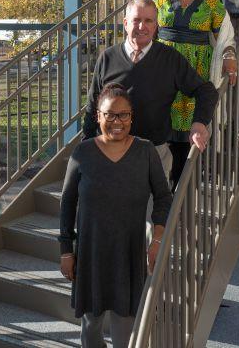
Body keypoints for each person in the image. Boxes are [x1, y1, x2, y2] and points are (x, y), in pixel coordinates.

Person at [60, 83, 172, 348]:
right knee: (91, 328)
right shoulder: (82, 153)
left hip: (129, 254)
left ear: (131, 117)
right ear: (98, 116)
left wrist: (156, 240)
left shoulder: (146, 152)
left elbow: (164, 197)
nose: (117, 121)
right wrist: (66, 251)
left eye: (124, 115)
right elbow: (67, 204)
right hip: (90, 253)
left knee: (125, 330)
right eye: (109, 114)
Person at [82, 0, 219, 181]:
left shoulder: (170, 59)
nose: (142, 27)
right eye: (136, 20)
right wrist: (87, 148)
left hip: (153, 156)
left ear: (156, 26)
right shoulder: (107, 58)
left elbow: (206, 91)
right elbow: (93, 106)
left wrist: (199, 123)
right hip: (110, 153)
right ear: (125, 23)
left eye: (148, 21)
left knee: (153, 210)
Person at [152, 0, 235, 185]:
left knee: (185, 136)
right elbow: (148, 30)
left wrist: (229, 55)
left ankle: (182, 190)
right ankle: (158, 190)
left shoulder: (212, 2)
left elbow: (226, 35)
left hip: (194, 75)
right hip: (163, 71)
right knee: (159, 129)